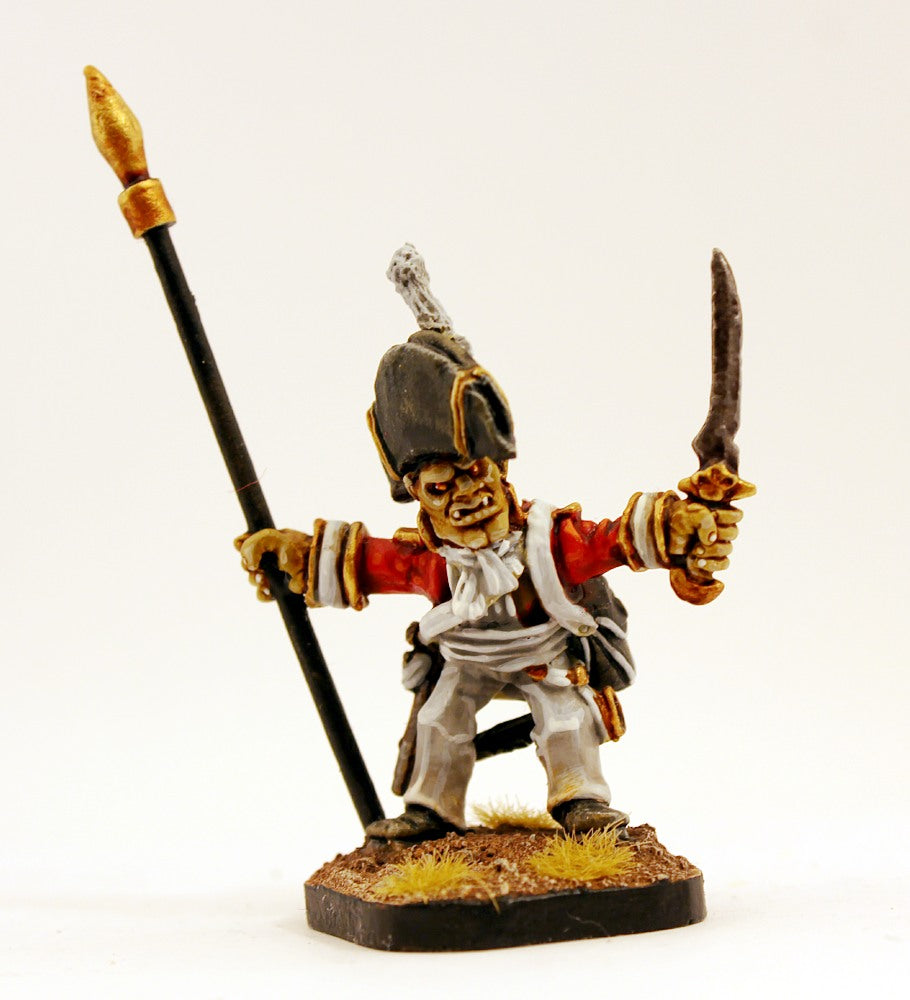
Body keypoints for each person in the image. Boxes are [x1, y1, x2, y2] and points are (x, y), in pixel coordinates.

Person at [238, 246, 742, 841]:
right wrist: (296, 556)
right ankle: (431, 812)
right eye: (440, 487)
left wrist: (677, 529)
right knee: (439, 718)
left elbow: (612, 541)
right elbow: (367, 562)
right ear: (417, 493)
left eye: (475, 473)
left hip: (544, 652)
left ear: (499, 470)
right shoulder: (432, 558)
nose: (466, 495)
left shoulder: (546, 539)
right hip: (465, 658)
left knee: (565, 717)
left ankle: (582, 804)